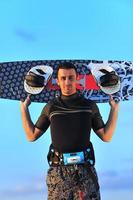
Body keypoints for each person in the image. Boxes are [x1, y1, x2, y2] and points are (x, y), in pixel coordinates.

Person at [20, 62, 119, 200]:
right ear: (58, 81)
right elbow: (31, 135)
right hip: (58, 174)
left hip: (85, 172)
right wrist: (24, 109)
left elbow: (106, 136)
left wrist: (114, 109)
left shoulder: (89, 106)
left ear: (77, 78)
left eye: (71, 77)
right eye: (63, 78)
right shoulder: (51, 107)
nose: (67, 82)